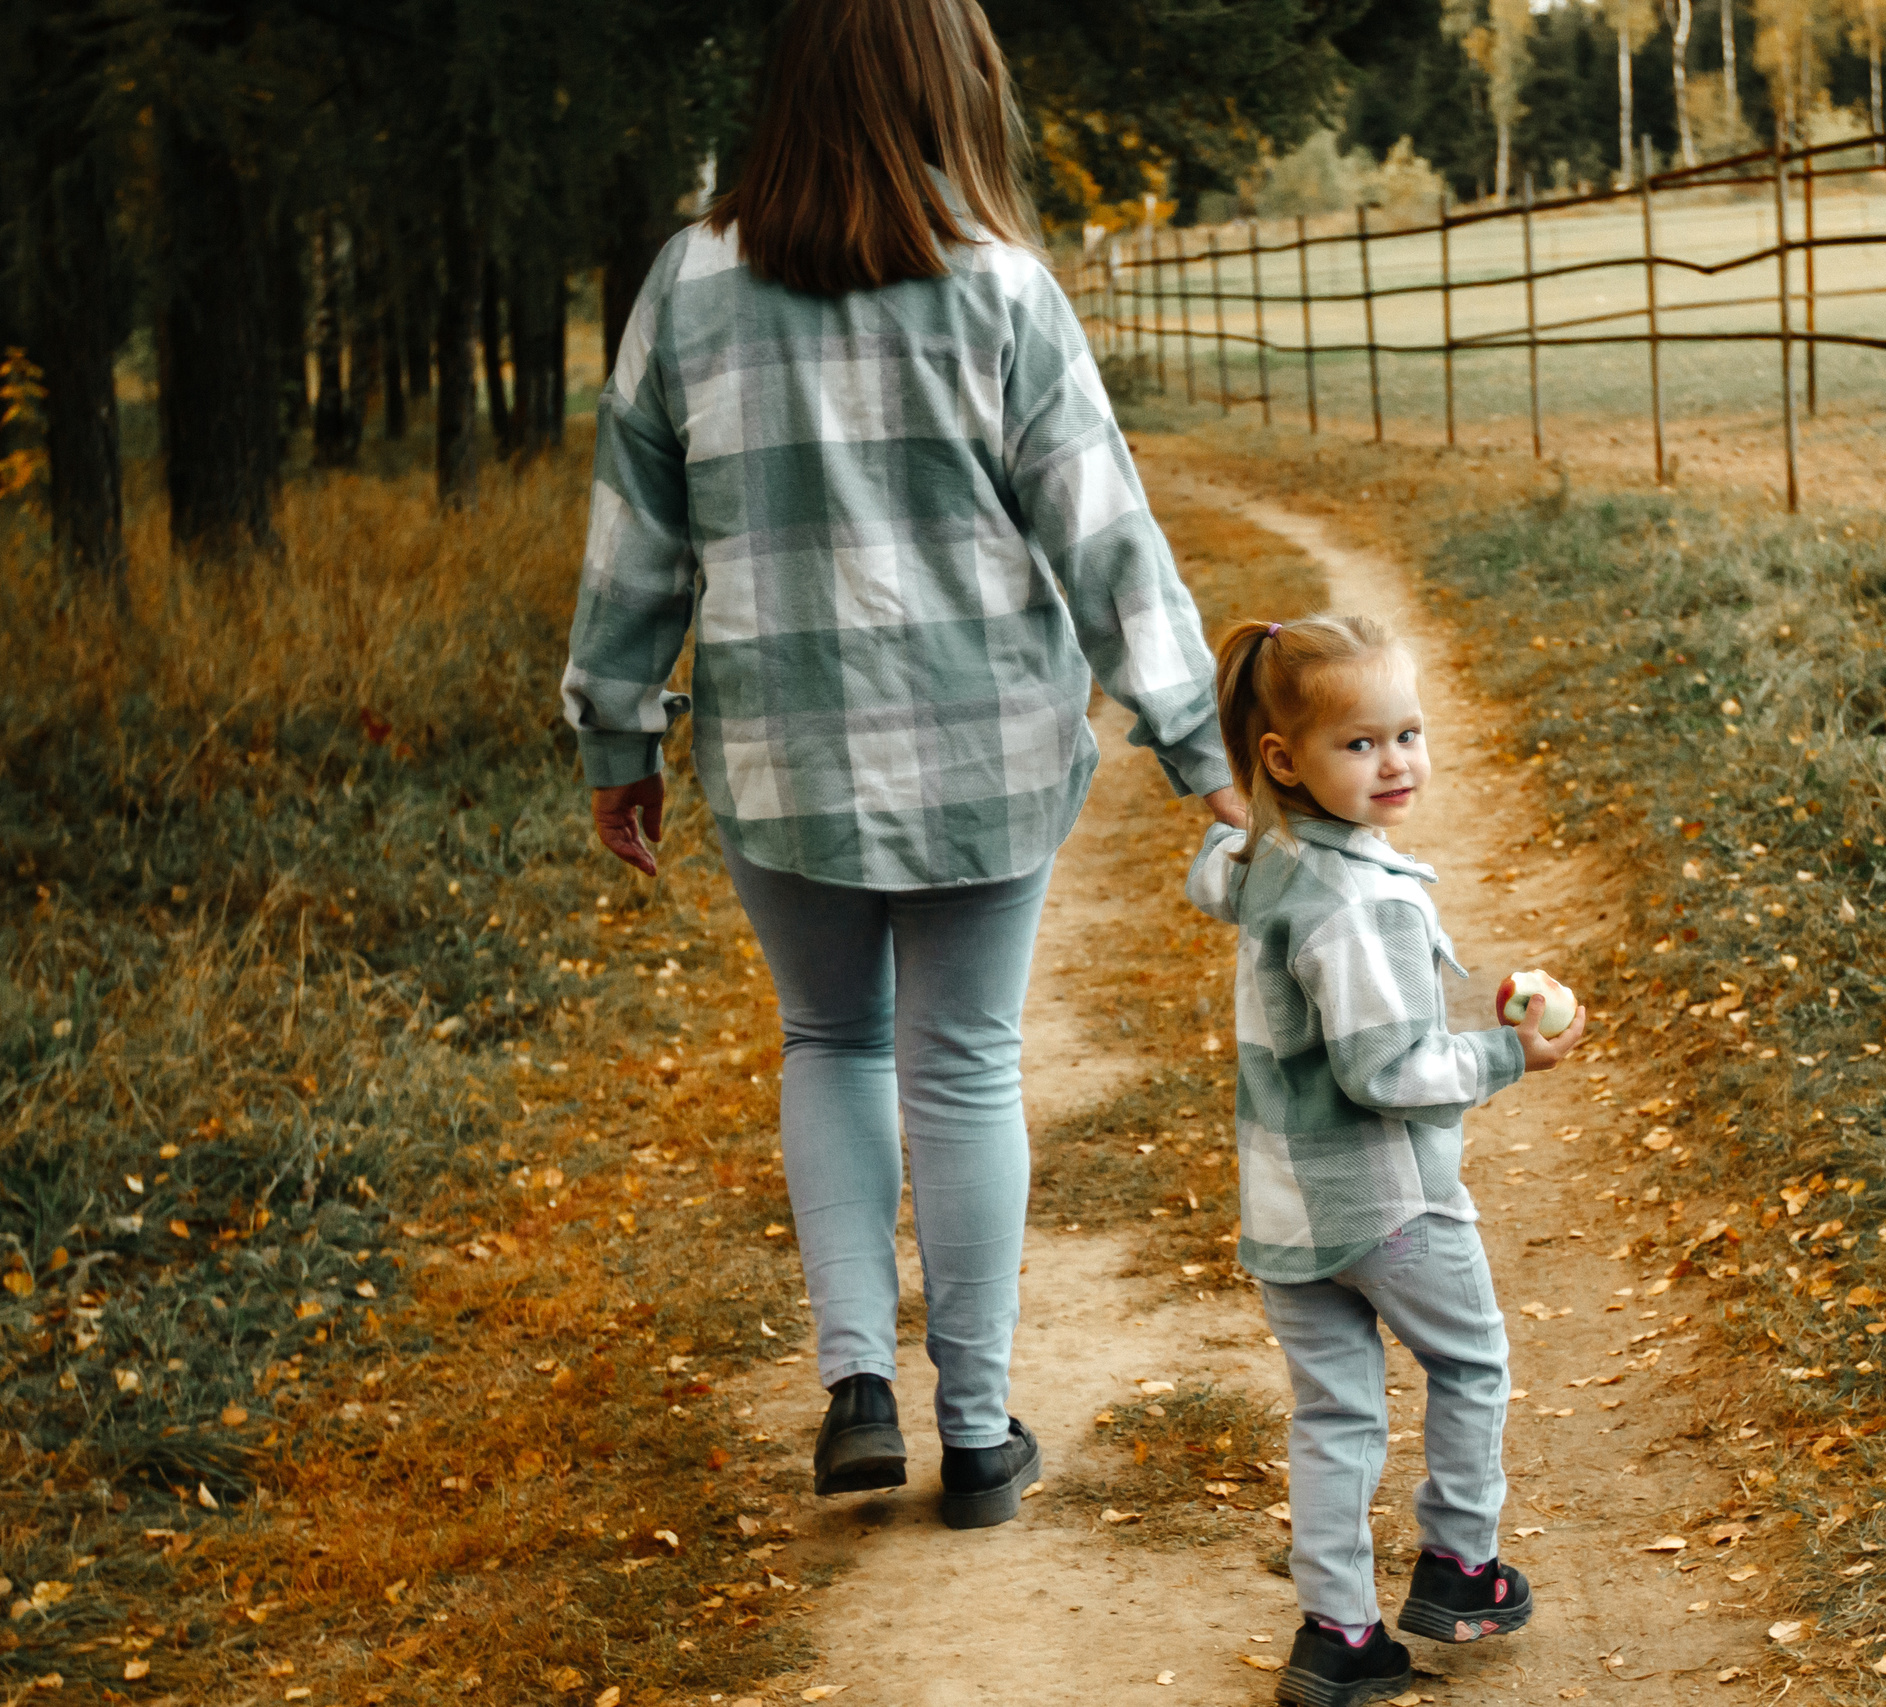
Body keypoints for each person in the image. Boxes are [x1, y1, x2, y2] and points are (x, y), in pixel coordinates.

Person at [559, 0, 1243, 1532]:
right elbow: (1105, 536)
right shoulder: (1000, 288)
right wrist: (1197, 739)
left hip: (783, 754)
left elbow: (635, 544)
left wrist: (620, 732)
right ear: (952, 86)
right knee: (961, 1059)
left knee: (831, 1039)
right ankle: (980, 1430)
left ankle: (856, 1384)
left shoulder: (690, 284)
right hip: (984, 743)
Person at [1185, 615, 1585, 1707]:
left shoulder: (1267, 858)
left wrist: (1238, 813)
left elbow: (1212, 871)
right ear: (1285, 759)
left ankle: (1338, 1634)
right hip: (1386, 1201)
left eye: (1406, 732)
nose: (1395, 761)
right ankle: (1460, 1570)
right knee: (1469, 1362)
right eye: (1358, 745)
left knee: (1335, 1414)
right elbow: (1388, 1071)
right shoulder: (1360, 902)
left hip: (1286, 1210)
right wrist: (1511, 1051)